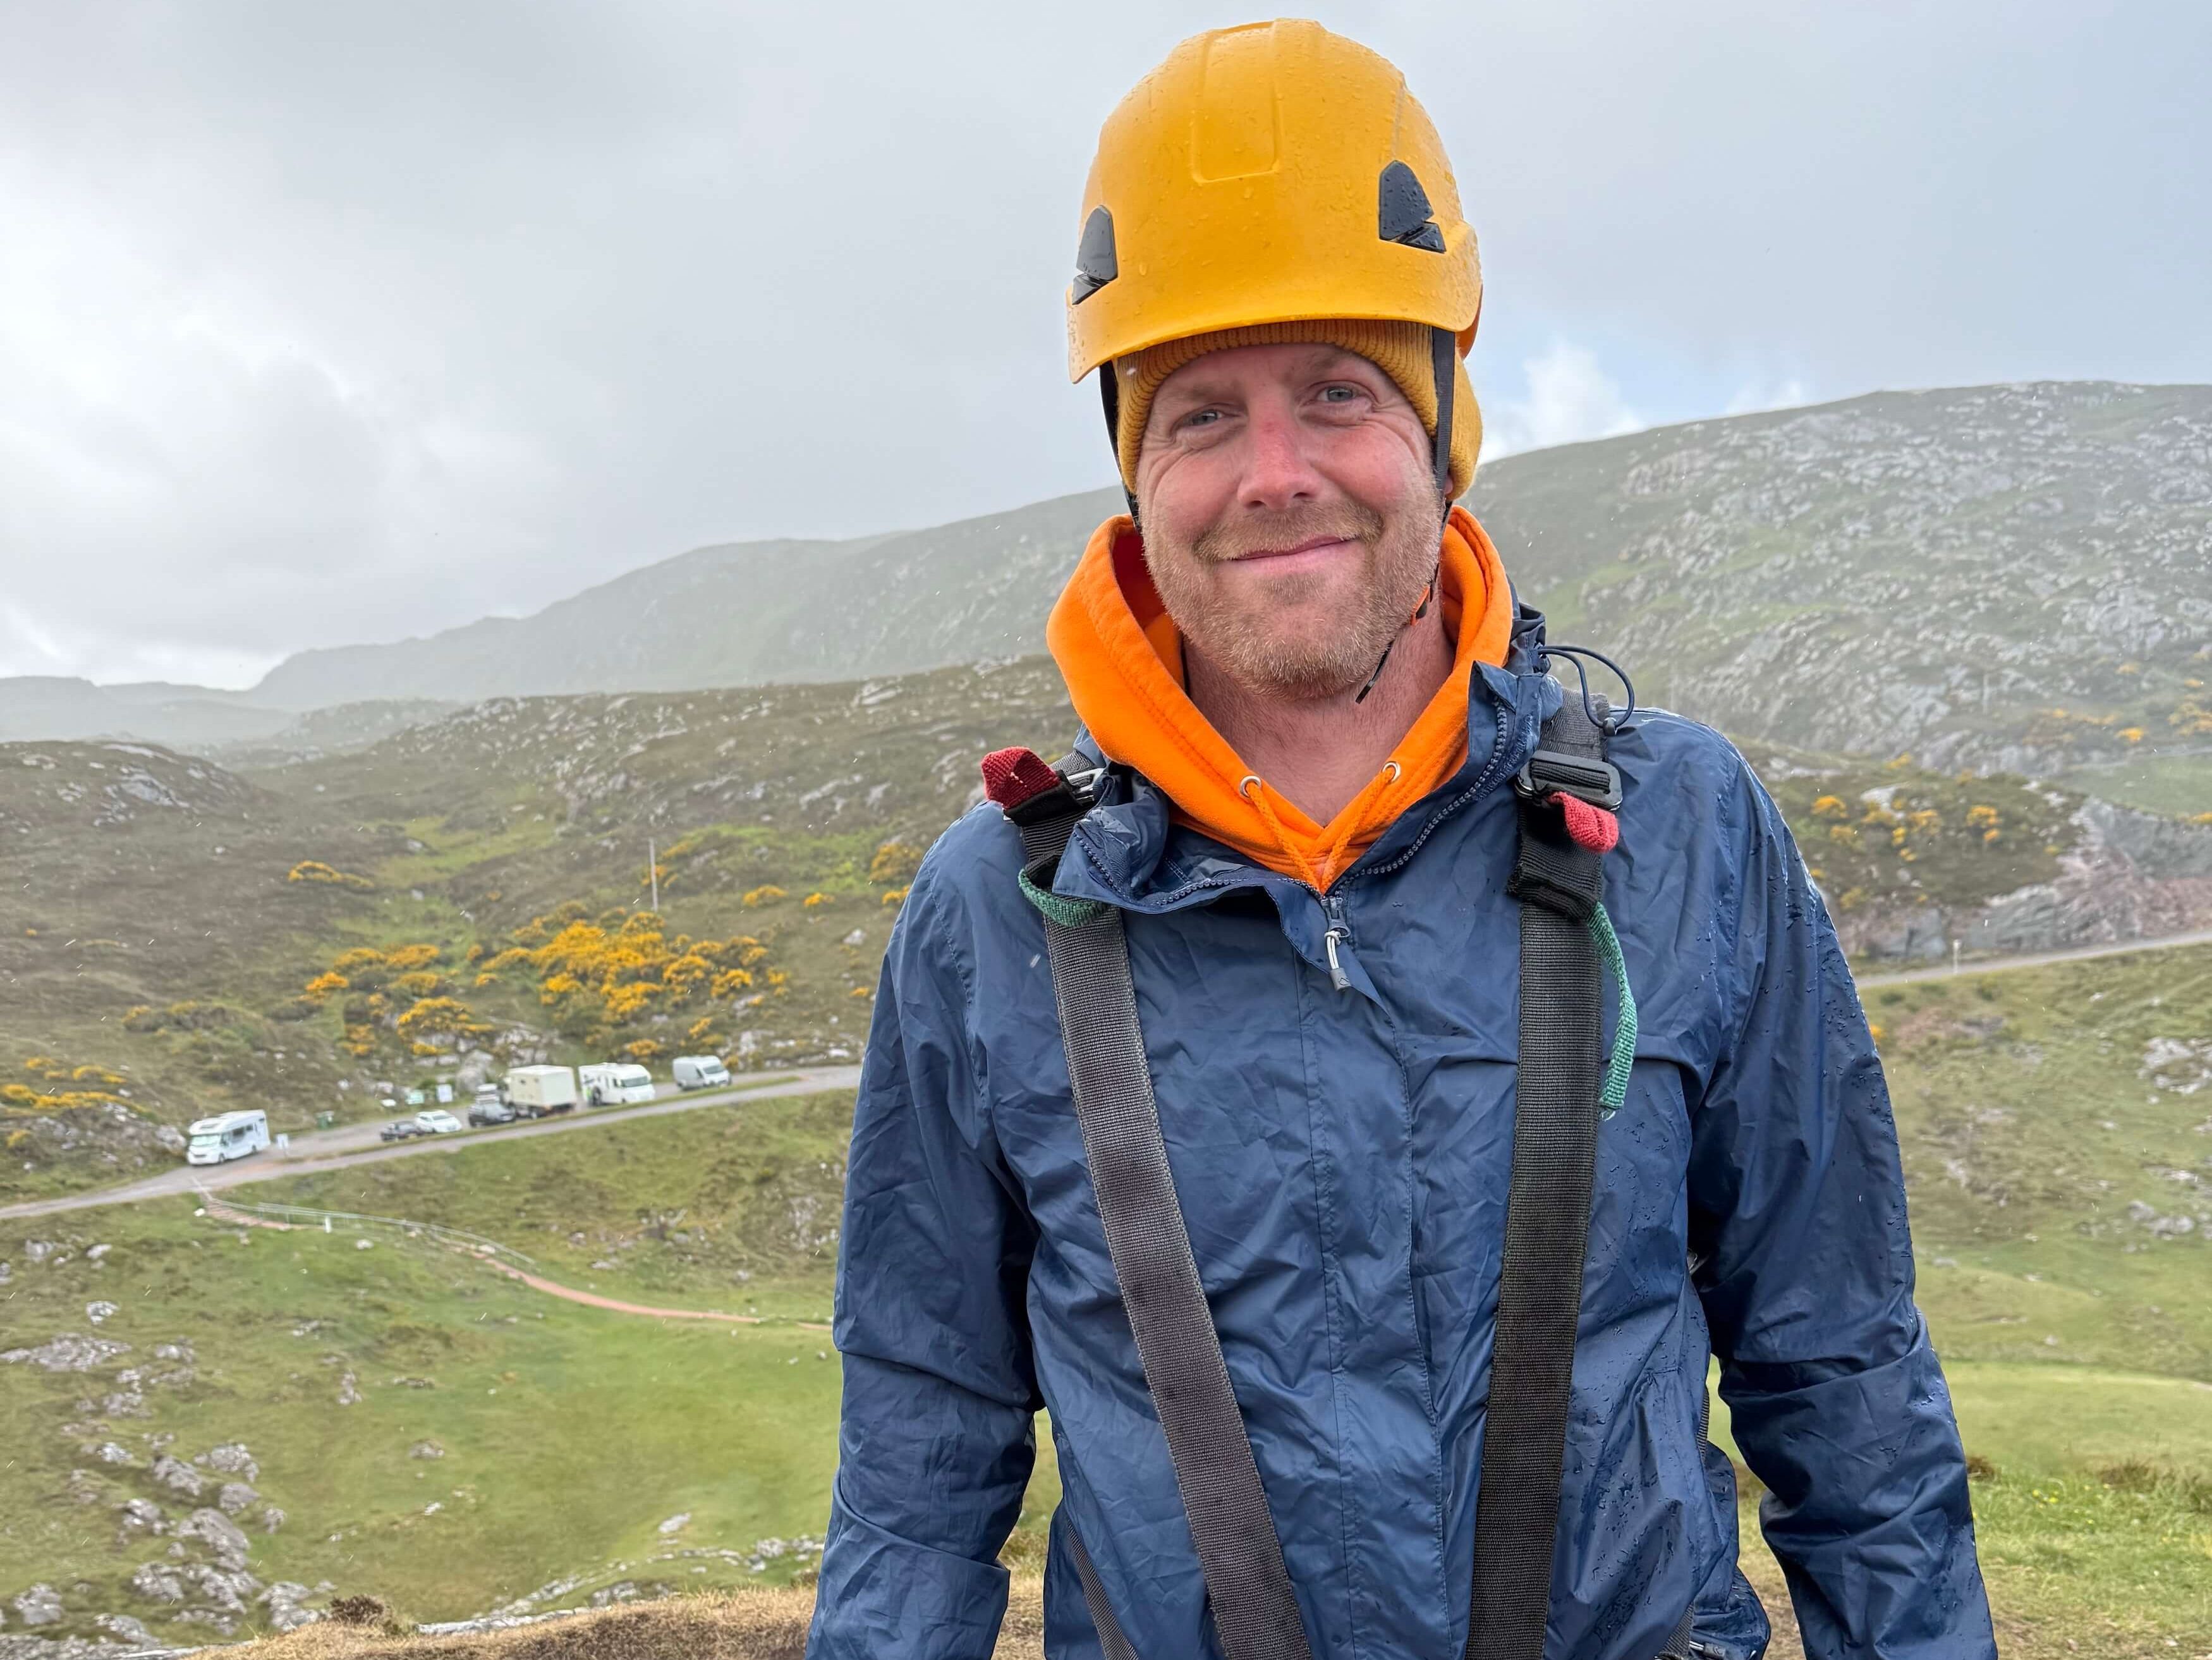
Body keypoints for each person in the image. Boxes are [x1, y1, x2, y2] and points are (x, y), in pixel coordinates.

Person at [807, 20, 1992, 1659]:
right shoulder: (1000, 909)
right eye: (1198, 413)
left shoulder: (1682, 828)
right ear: (1134, 474)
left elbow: (1844, 1376)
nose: (1273, 473)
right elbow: (915, 1462)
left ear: (1443, 425)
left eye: (1337, 391)